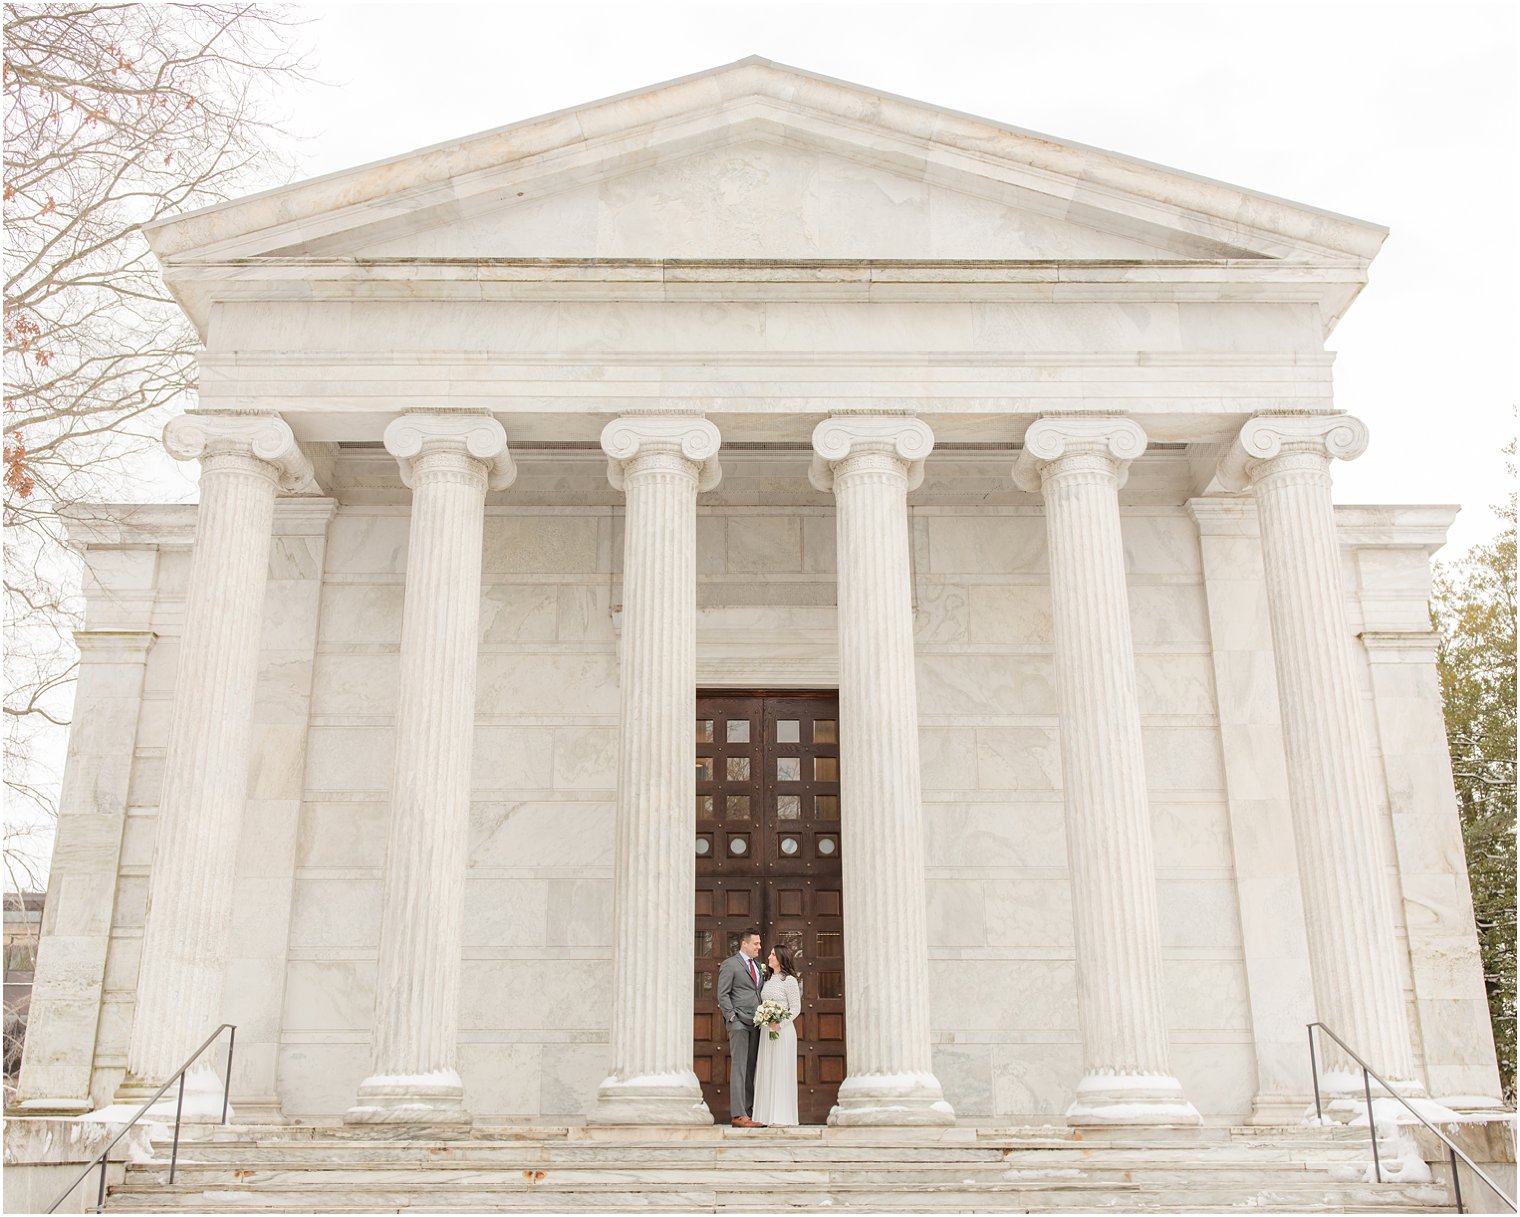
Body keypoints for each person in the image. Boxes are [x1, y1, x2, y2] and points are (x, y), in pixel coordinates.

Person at [716, 928, 766, 1127]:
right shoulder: (730, 965)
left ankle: (749, 1111)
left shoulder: (757, 966)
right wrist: (731, 1018)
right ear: (744, 944)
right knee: (739, 1067)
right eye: (756, 943)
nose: (759, 947)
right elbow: (722, 994)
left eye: (759, 943)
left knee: (750, 1068)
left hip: (756, 1023)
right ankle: (738, 1114)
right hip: (739, 1023)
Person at [752, 943, 802, 1126]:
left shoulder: (789, 981)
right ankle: (765, 1115)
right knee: (767, 1069)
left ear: (781, 958)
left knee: (781, 1070)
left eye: (773, 954)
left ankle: (782, 1116)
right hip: (767, 1032)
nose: (769, 957)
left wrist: (779, 1023)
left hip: (783, 1032)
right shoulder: (767, 980)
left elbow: (796, 1008)